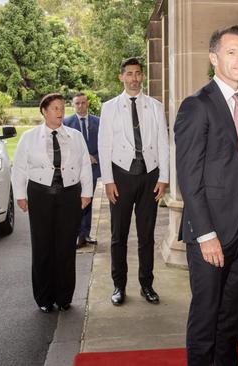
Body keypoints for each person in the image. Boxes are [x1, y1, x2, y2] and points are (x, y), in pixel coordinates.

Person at [174, 25, 238, 366]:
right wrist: (205, 235)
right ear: (213, 58)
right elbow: (189, 179)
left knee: (231, 321)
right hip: (210, 233)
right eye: (231, 52)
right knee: (206, 320)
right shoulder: (196, 106)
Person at [11, 93, 93, 313]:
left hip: (69, 195)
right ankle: (44, 298)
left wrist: (87, 192)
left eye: (62, 108)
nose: (60, 112)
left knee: (66, 245)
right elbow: (19, 167)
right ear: (44, 112)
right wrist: (20, 194)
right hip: (40, 195)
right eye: (55, 108)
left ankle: (64, 296)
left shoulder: (75, 136)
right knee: (43, 246)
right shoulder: (29, 137)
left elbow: (85, 165)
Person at [97, 57, 169, 306]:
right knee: (119, 235)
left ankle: (147, 285)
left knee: (146, 235)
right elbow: (104, 145)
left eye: (138, 73)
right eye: (129, 73)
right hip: (121, 177)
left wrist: (164, 177)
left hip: (150, 176)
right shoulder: (109, 108)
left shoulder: (156, 107)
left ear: (142, 76)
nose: (134, 78)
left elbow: (163, 143)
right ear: (121, 77)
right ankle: (119, 285)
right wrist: (108, 180)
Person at [64, 92, 101, 248]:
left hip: (92, 169)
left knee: (88, 200)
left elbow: (105, 143)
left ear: (88, 104)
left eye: (83, 103)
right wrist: (84, 158)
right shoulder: (66, 123)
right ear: (73, 105)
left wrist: (96, 157)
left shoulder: (99, 122)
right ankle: (76, 234)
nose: (80, 106)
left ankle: (86, 233)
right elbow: (64, 147)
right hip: (74, 170)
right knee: (75, 202)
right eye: (77, 103)